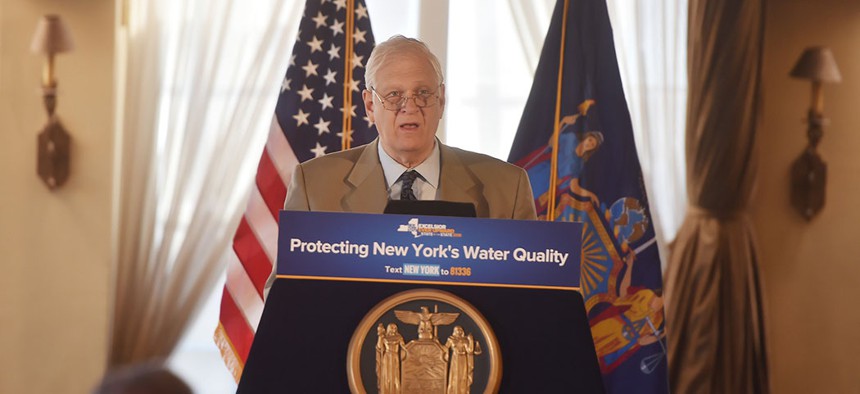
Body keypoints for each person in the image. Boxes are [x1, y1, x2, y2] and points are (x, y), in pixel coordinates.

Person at [282, 35, 537, 220]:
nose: (410, 106)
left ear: (442, 100)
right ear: (370, 105)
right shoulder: (315, 187)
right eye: (394, 94)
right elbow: (285, 292)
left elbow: (531, 290)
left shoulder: (506, 188)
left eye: (423, 93)